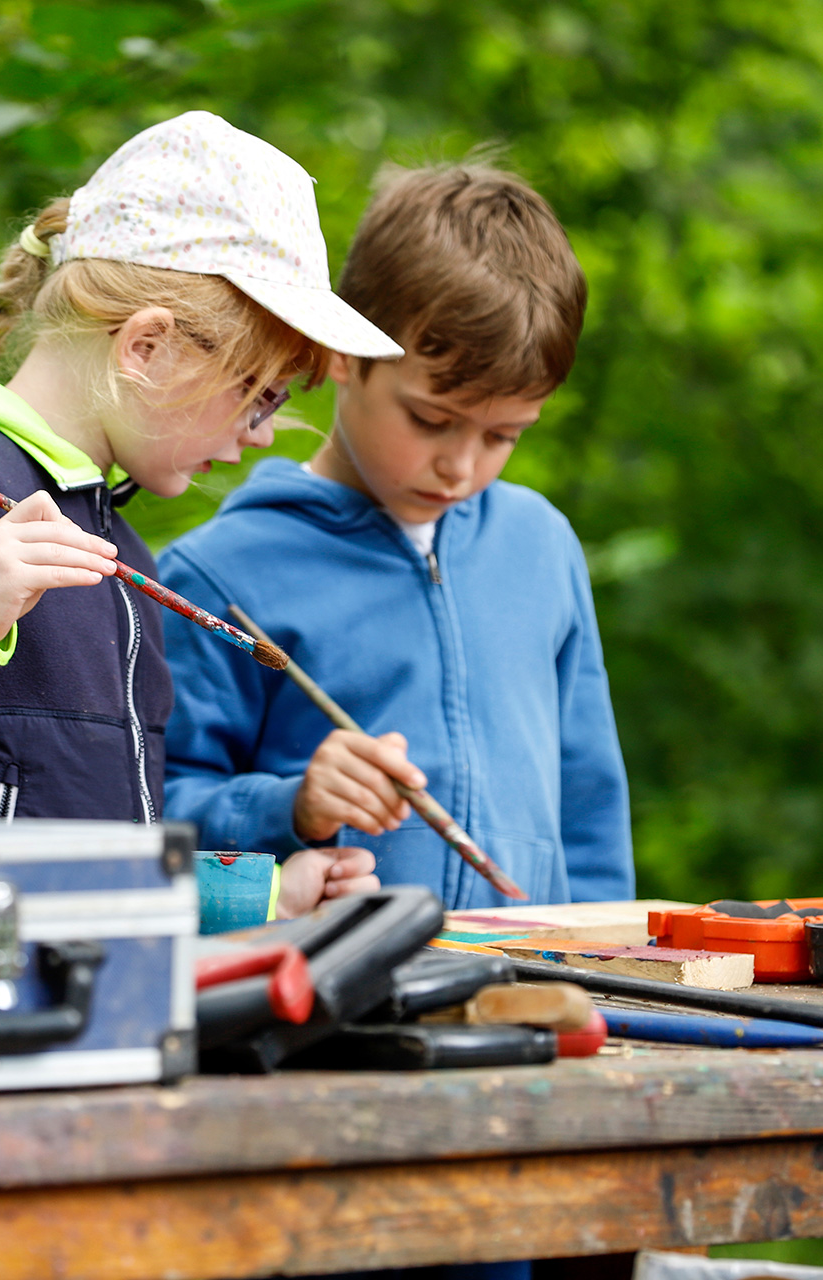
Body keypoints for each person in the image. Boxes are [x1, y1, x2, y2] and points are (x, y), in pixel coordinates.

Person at [0, 111, 401, 917]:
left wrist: (262, 899)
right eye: (260, 395)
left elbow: (97, 855)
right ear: (147, 346)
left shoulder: (124, 555)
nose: (259, 435)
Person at [160, 160, 635, 914]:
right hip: (334, 977)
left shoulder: (541, 547)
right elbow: (149, 811)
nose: (460, 465)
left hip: (533, 974)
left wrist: (605, 953)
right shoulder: (219, 573)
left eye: (504, 435)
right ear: (344, 352)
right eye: (431, 420)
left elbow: (590, 808)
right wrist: (289, 807)